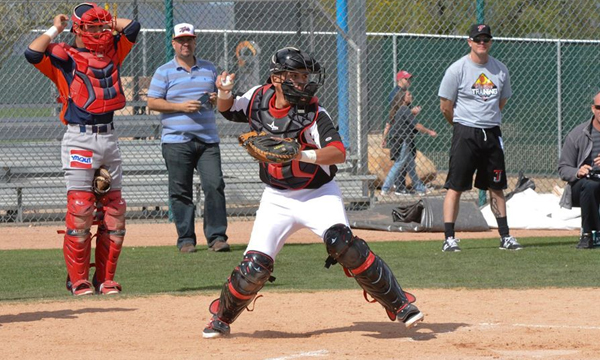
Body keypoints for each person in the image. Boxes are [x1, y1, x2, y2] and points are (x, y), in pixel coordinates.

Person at [201, 47, 424, 338]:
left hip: (318, 194)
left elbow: (338, 153)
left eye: (305, 76)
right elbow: (228, 109)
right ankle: (222, 316)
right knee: (254, 267)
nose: (303, 82)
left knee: (343, 244)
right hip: (277, 198)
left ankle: (399, 303)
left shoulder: (314, 112)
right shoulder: (257, 97)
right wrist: (225, 91)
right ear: (276, 78)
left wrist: (301, 155)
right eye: (294, 76)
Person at [24, 2, 140, 295]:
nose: (100, 32)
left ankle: (105, 279)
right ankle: (78, 279)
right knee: (81, 209)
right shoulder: (64, 55)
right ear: (77, 29)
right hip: (79, 138)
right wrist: (57, 28)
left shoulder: (113, 50)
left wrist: (107, 21)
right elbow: (32, 53)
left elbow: (133, 28)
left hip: (109, 137)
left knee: (114, 210)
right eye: (92, 27)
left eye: (103, 26)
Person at [438, 23, 522, 252]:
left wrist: (487, 119)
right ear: (469, 42)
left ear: (490, 42)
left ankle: (505, 236)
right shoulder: (457, 69)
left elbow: (501, 102)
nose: (481, 43)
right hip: (466, 132)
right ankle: (449, 238)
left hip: (492, 133)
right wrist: (460, 125)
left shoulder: (500, 70)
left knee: (496, 186)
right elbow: (445, 105)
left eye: (485, 39)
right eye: (477, 39)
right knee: (455, 186)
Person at [147, 23, 230, 253]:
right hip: (176, 140)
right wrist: (180, 106)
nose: (185, 44)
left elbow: (221, 99)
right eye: (181, 40)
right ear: (173, 43)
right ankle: (186, 240)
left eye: (189, 40)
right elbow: (152, 102)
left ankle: (217, 238)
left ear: (195, 42)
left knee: (214, 185)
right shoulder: (164, 71)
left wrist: (216, 97)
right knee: (180, 190)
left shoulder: (209, 68)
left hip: (207, 140)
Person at [558, 91, 600, 249]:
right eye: (599, 107)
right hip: (585, 186)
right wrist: (578, 171)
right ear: (592, 109)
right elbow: (563, 168)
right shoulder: (577, 134)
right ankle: (588, 235)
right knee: (590, 185)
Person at [381, 90, 436, 195]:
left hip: (402, 140)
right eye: (409, 95)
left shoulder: (402, 110)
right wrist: (429, 132)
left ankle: (420, 188)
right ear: (403, 98)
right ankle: (386, 187)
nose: (411, 96)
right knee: (399, 163)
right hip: (404, 140)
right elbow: (416, 125)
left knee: (410, 166)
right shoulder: (404, 109)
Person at [386, 70, 414, 193]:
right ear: (399, 80)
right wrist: (411, 112)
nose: (409, 81)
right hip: (399, 132)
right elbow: (396, 113)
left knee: (405, 160)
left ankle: (400, 185)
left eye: (409, 79)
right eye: (406, 79)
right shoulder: (396, 93)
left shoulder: (403, 92)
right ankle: (397, 186)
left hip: (403, 131)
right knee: (400, 160)